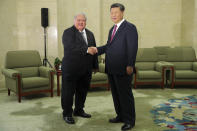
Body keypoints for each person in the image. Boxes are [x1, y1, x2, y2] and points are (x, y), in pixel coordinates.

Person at [95, 3, 138, 131]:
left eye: (116, 12)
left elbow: (132, 47)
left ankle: (130, 120)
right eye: (111, 13)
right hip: (111, 67)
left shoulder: (130, 27)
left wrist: (130, 64)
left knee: (125, 95)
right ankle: (120, 115)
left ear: (122, 12)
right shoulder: (112, 29)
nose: (113, 15)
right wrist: (96, 50)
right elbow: (109, 46)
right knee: (116, 94)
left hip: (124, 68)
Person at [61, 13, 98, 124]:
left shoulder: (90, 34)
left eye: (83, 20)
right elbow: (70, 47)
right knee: (68, 93)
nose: (81, 22)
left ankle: (79, 110)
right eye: (79, 20)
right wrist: (87, 50)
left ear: (86, 22)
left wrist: (95, 66)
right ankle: (67, 113)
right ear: (74, 21)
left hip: (86, 70)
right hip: (71, 69)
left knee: (82, 92)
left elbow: (94, 51)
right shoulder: (68, 32)